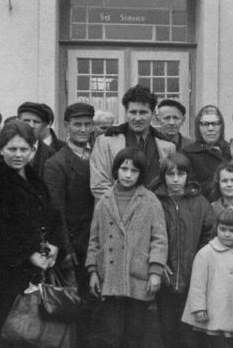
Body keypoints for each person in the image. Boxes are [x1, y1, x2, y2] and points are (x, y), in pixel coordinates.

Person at [0, 120, 67, 337]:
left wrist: (55, 244)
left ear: (33, 150)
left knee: (37, 331)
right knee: (13, 328)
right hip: (10, 269)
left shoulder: (33, 177)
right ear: (1, 149)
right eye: (12, 149)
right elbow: (0, 227)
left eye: (24, 149)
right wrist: (29, 254)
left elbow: (53, 215)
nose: (18, 154)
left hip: (39, 266)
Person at [86, 147, 168, 348]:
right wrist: (93, 271)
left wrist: (155, 271)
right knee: (111, 336)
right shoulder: (105, 200)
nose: (128, 175)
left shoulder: (150, 200)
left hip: (137, 278)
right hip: (110, 278)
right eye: (124, 169)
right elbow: (94, 239)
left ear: (141, 174)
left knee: (135, 335)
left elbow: (159, 239)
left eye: (134, 171)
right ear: (116, 170)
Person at [43, 103, 96, 347]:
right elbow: (56, 212)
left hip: (96, 244)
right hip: (74, 247)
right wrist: (68, 250)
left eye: (87, 124)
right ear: (66, 127)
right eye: (77, 124)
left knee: (95, 308)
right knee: (75, 308)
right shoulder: (57, 163)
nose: (83, 129)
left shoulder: (98, 156)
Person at [152, 152, 215, 348]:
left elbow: (209, 237)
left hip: (193, 279)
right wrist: (157, 264)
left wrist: (199, 266)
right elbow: (147, 236)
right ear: (163, 176)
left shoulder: (200, 203)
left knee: (190, 336)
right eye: (171, 174)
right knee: (166, 332)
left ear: (189, 176)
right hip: (165, 278)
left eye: (181, 174)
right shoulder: (154, 200)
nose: (176, 179)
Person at [181, 208, 233, 348]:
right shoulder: (206, 253)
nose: (226, 234)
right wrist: (198, 308)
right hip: (212, 311)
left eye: (232, 231)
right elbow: (197, 284)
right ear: (216, 229)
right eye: (223, 229)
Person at [90, 84, 175, 197]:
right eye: (133, 112)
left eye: (143, 112)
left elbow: (170, 185)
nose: (137, 118)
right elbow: (99, 185)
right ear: (126, 113)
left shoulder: (168, 147)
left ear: (153, 114)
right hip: (117, 211)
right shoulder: (105, 142)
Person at [182, 105, 232, 202]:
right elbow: (189, 188)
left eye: (215, 123)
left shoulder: (231, 150)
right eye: (205, 124)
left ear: (221, 126)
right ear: (198, 127)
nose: (210, 128)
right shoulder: (188, 153)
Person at [17, 101, 56, 178]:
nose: (31, 125)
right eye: (26, 121)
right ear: (18, 121)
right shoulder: (5, 148)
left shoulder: (50, 154)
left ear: (44, 126)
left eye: (36, 122)